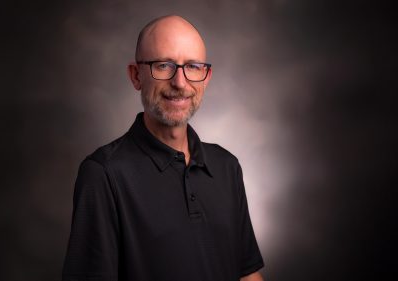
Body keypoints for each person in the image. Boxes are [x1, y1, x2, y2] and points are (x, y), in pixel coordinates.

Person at [62, 15, 264, 281]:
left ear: (206, 77)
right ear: (136, 76)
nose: (180, 82)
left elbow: (247, 274)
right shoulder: (103, 174)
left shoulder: (227, 167)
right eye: (164, 65)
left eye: (192, 66)